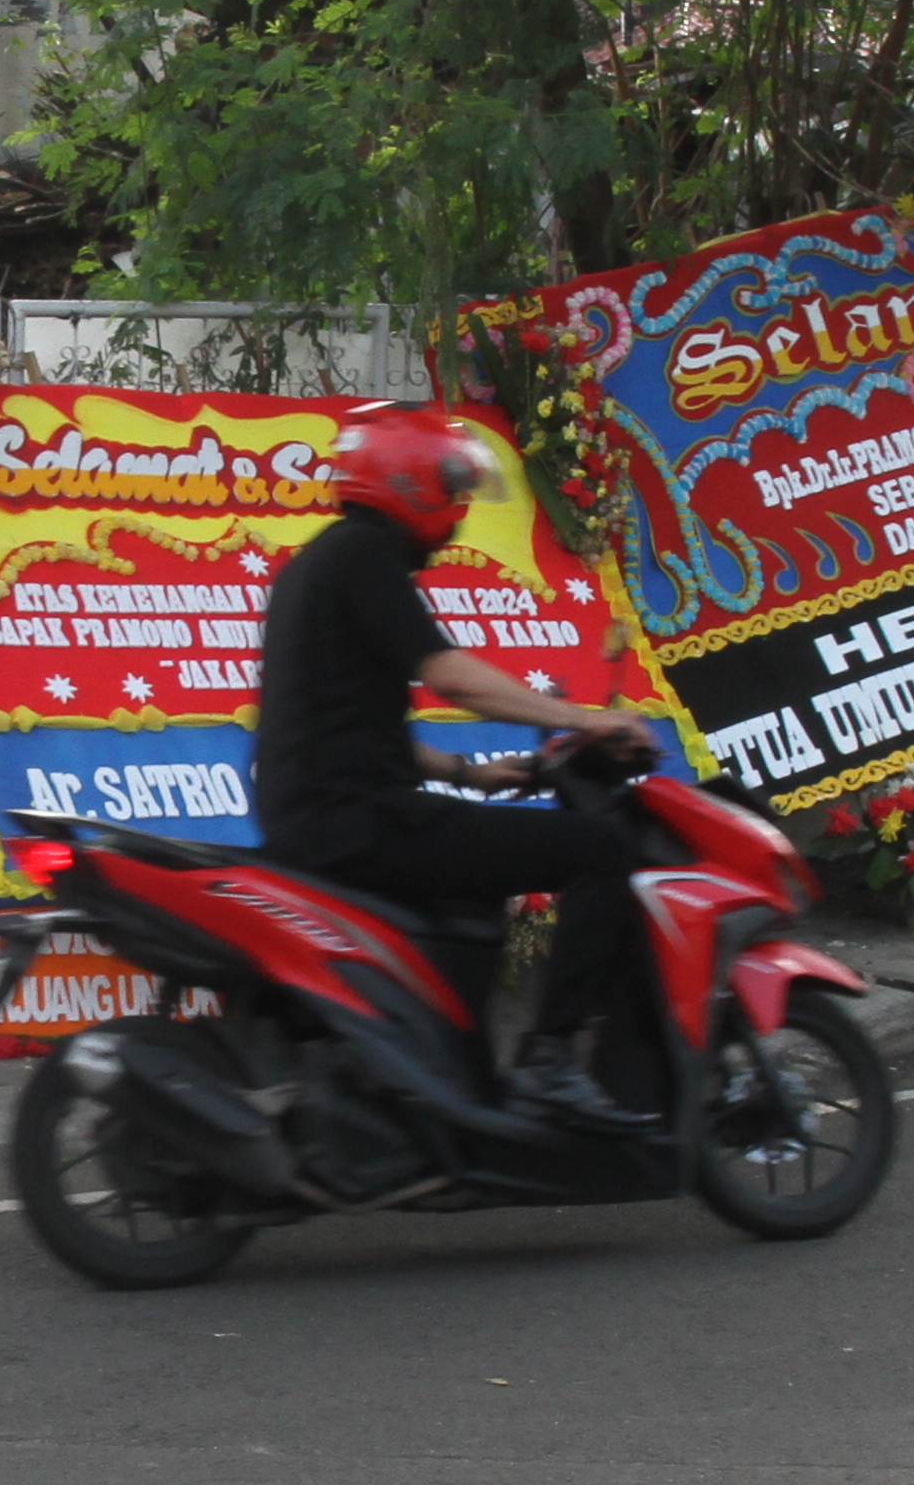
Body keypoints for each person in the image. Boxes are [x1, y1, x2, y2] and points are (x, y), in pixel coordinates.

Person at [250, 402, 659, 1131]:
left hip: (329, 817)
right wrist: (585, 718)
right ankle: (551, 1062)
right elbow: (452, 678)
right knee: (600, 851)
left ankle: (451, 1094)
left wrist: (471, 775)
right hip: (364, 823)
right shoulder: (363, 557)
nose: (461, 507)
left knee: (478, 898)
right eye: (451, 486)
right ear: (408, 484)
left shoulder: (317, 565)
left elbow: (348, 725)